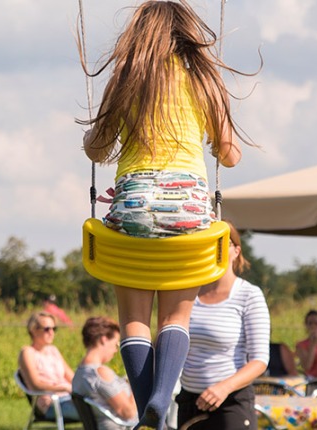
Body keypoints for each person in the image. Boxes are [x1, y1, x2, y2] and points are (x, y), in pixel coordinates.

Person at [79, 2, 247, 429]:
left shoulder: (126, 79)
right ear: (188, 32)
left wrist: (95, 136)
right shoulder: (205, 80)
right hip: (188, 207)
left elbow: (97, 150)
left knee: (134, 319)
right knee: (176, 317)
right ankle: (160, 396)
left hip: (133, 203)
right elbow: (229, 154)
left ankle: (143, 409)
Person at [176, 221, 270, 430]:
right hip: (189, 402)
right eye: (209, 242)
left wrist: (223, 388)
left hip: (230, 403)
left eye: (221, 242)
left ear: (236, 251)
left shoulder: (249, 295)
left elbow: (260, 360)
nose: (214, 248)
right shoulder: (187, 292)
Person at [73, 316, 138, 429]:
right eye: (116, 344)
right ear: (104, 339)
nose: (115, 350)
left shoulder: (79, 373)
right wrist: (137, 383)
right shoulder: (101, 373)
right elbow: (128, 413)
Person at [18, 312, 80, 422]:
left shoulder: (53, 350)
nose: (51, 333)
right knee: (94, 411)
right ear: (33, 330)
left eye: (54, 329)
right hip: (51, 404)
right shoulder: (27, 352)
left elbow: (72, 378)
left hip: (69, 398)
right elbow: (35, 384)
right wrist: (64, 388)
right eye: (47, 329)